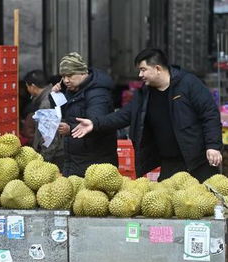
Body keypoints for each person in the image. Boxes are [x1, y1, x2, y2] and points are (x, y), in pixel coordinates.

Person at [72, 48, 222, 182]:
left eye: (143, 70)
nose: (140, 75)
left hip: (197, 162)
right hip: (169, 164)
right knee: (168, 207)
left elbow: (209, 115)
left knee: (206, 205)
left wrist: (213, 146)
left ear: (157, 68)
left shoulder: (189, 84)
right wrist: (95, 124)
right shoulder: (144, 94)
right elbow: (124, 115)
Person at [55, 52, 118, 177]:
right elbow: (65, 113)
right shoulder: (72, 90)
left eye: (70, 75)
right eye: (63, 76)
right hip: (75, 161)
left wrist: (70, 129)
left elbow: (96, 124)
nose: (66, 80)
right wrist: (55, 96)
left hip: (96, 165)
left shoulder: (98, 94)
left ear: (83, 73)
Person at [22, 69, 64, 170]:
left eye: (27, 86)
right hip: (62, 150)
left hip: (56, 156)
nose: (27, 90)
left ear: (33, 86)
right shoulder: (56, 95)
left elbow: (50, 139)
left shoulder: (46, 103)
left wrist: (44, 161)